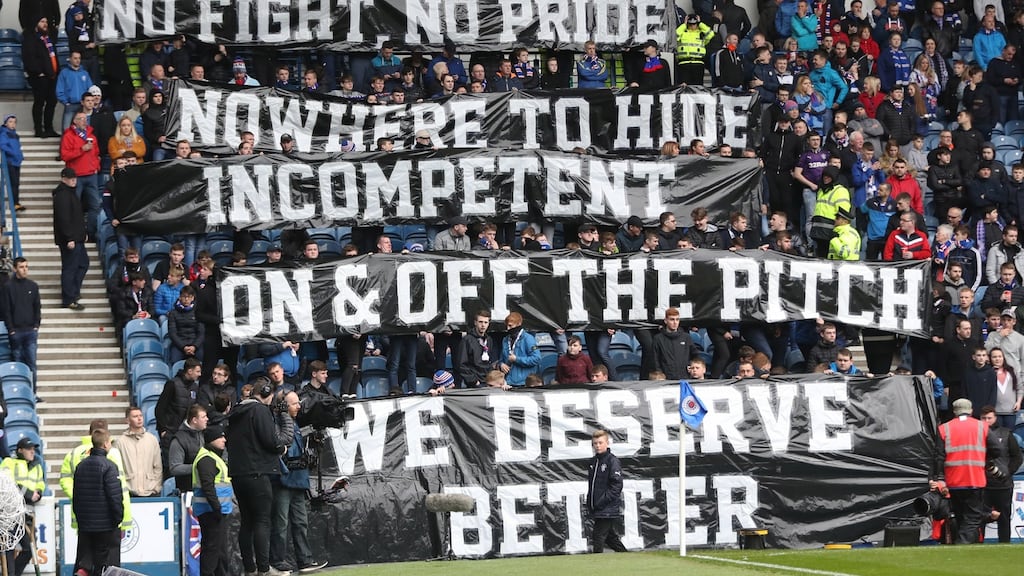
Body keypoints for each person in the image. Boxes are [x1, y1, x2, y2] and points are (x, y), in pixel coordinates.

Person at [227, 379, 282, 576]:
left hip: (238, 474)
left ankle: (250, 569)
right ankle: (264, 569)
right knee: (262, 521)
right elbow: (270, 440)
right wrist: (281, 447)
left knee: (247, 522)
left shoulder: (235, 412)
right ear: (267, 392)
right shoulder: (259, 411)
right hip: (257, 472)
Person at [270, 391, 328, 574]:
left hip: (298, 480)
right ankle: (277, 561)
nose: (299, 406)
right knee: (280, 525)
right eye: (295, 403)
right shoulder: (277, 423)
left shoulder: (294, 423)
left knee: (300, 522)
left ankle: (304, 560)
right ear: (284, 406)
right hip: (283, 481)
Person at [931, 398, 988, 544]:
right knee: (973, 517)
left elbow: (939, 456)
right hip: (975, 479)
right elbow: (997, 449)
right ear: (971, 411)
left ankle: (965, 545)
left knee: (961, 515)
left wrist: (940, 479)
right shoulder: (982, 426)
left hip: (954, 481)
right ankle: (962, 544)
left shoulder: (944, 428)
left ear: (954, 411)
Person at [72, 429, 124, 576]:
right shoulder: (109, 466)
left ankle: (83, 571)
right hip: (105, 525)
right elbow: (115, 497)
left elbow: (76, 496)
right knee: (103, 565)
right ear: (106, 444)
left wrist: (80, 519)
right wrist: (117, 519)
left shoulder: (80, 466)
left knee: (85, 560)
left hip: (85, 524)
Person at [192, 425, 233, 576]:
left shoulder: (211, 457)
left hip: (215, 510)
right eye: (220, 437)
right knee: (212, 550)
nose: (224, 439)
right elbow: (208, 487)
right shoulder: (207, 459)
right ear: (211, 440)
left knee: (219, 550)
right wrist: (216, 508)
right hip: (211, 512)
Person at [0, 437, 43, 576]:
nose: (32, 452)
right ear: (20, 450)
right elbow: (7, 484)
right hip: (11, 514)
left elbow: (40, 484)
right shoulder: (10, 462)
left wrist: (39, 493)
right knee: (9, 547)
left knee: (29, 548)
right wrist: (29, 493)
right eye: (29, 449)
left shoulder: (37, 465)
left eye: (33, 449)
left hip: (27, 515)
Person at [980, 405, 1022, 543]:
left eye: (989, 418)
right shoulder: (976, 434)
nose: (987, 421)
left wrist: (1008, 472)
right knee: (980, 519)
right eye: (984, 418)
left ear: (995, 418)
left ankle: (1004, 544)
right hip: (982, 483)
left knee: (1004, 518)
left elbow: (1017, 457)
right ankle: (977, 545)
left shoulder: (1006, 433)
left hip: (1003, 484)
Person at [60, 111, 101, 241]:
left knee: (95, 205)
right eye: (81, 118)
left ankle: (91, 233)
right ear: (74, 121)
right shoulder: (68, 136)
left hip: (91, 175)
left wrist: (96, 167)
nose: (84, 121)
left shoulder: (92, 136)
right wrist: (81, 150)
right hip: (76, 176)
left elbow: (96, 153)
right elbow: (64, 155)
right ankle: (75, 234)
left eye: (85, 118)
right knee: (74, 206)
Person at [53, 167, 89, 310]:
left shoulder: (69, 193)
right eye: (71, 178)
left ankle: (73, 292)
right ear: (64, 178)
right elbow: (64, 219)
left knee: (82, 264)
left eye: (74, 178)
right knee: (70, 268)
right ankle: (69, 298)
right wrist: (69, 238)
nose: (74, 181)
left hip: (77, 238)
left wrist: (82, 233)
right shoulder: (62, 195)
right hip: (71, 239)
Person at [586, 429, 627, 553]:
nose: (598, 446)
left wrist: (601, 501)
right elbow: (592, 486)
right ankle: (627, 557)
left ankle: (596, 566)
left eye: (600, 442)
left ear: (607, 443)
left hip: (607, 508)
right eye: (595, 443)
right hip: (598, 508)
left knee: (598, 536)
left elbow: (617, 485)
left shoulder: (612, 461)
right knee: (610, 538)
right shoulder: (593, 462)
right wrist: (590, 502)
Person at [6, 258, 41, 397]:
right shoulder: (8, 287)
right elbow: (6, 310)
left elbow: (37, 307)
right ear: (15, 269)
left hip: (30, 331)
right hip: (16, 331)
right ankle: (20, 394)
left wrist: (36, 325)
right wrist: (11, 329)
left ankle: (32, 393)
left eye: (26, 266)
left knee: (32, 364)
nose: (25, 269)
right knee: (18, 364)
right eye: (21, 267)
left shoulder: (33, 286)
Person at [21, 15, 59, 137]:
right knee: (39, 102)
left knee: (52, 102)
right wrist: (38, 72)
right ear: (36, 24)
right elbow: (29, 57)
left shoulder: (48, 39)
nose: (45, 24)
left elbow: (53, 56)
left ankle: (49, 128)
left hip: (52, 76)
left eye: (46, 22)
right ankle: (38, 129)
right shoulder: (31, 38)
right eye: (42, 21)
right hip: (40, 77)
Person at [113, 406, 162, 497]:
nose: (139, 419)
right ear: (127, 420)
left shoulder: (152, 439)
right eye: (135, 416)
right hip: (129, 491)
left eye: (141, 416)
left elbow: (158, 466)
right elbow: (116, 468)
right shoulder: (120, 442)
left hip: (151, 491)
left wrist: (156, 487)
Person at [167, 403, 207, 492]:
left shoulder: (204, 434)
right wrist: (197, 467)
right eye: (203, 417)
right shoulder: (178, 440)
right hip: (187, 491)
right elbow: (174, 468)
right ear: (194, 420)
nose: (207, 419)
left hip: (205, 488)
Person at [652, 307, 698, 379]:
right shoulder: (658, 339)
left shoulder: (686, 337)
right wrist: (660, 376)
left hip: (684, 378)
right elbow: (655, 360)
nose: (675, 322)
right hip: (666, 380)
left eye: (677, 319)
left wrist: (691, 365)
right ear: (665, 321)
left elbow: (695, 354)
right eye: (672, 319)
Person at [498, 312, 541, 387]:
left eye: (510, 326)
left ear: (518, 324)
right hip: (508, 382)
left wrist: (517, 359)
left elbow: (536, 358)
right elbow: (501, 358)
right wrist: (501, 365)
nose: (508, 328)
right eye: (507, 326)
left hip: (523, 383)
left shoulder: (528, 339)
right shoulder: (505, 340)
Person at [457, 310, 496, 388]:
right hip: (473, 384)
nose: (483, 325)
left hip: (487, 381)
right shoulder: (467, 340)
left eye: (486, 322)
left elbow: (489, 362)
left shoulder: (489, 340)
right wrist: (473, 381)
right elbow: (461, 364)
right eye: (480, 322)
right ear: (475, 322)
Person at [0, 115, 25, 211]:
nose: (13, 124)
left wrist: (20, 156)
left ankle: (16, 202)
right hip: (10, 161)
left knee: (16, 183)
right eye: (10, 121)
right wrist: (14, 154)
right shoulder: (4, 133)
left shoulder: (14, 134)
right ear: (6, 123)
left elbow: (18, 147)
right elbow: (3, 145)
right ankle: (14, 203)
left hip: (16, 162)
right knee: (13, 183)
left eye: (14, 122)